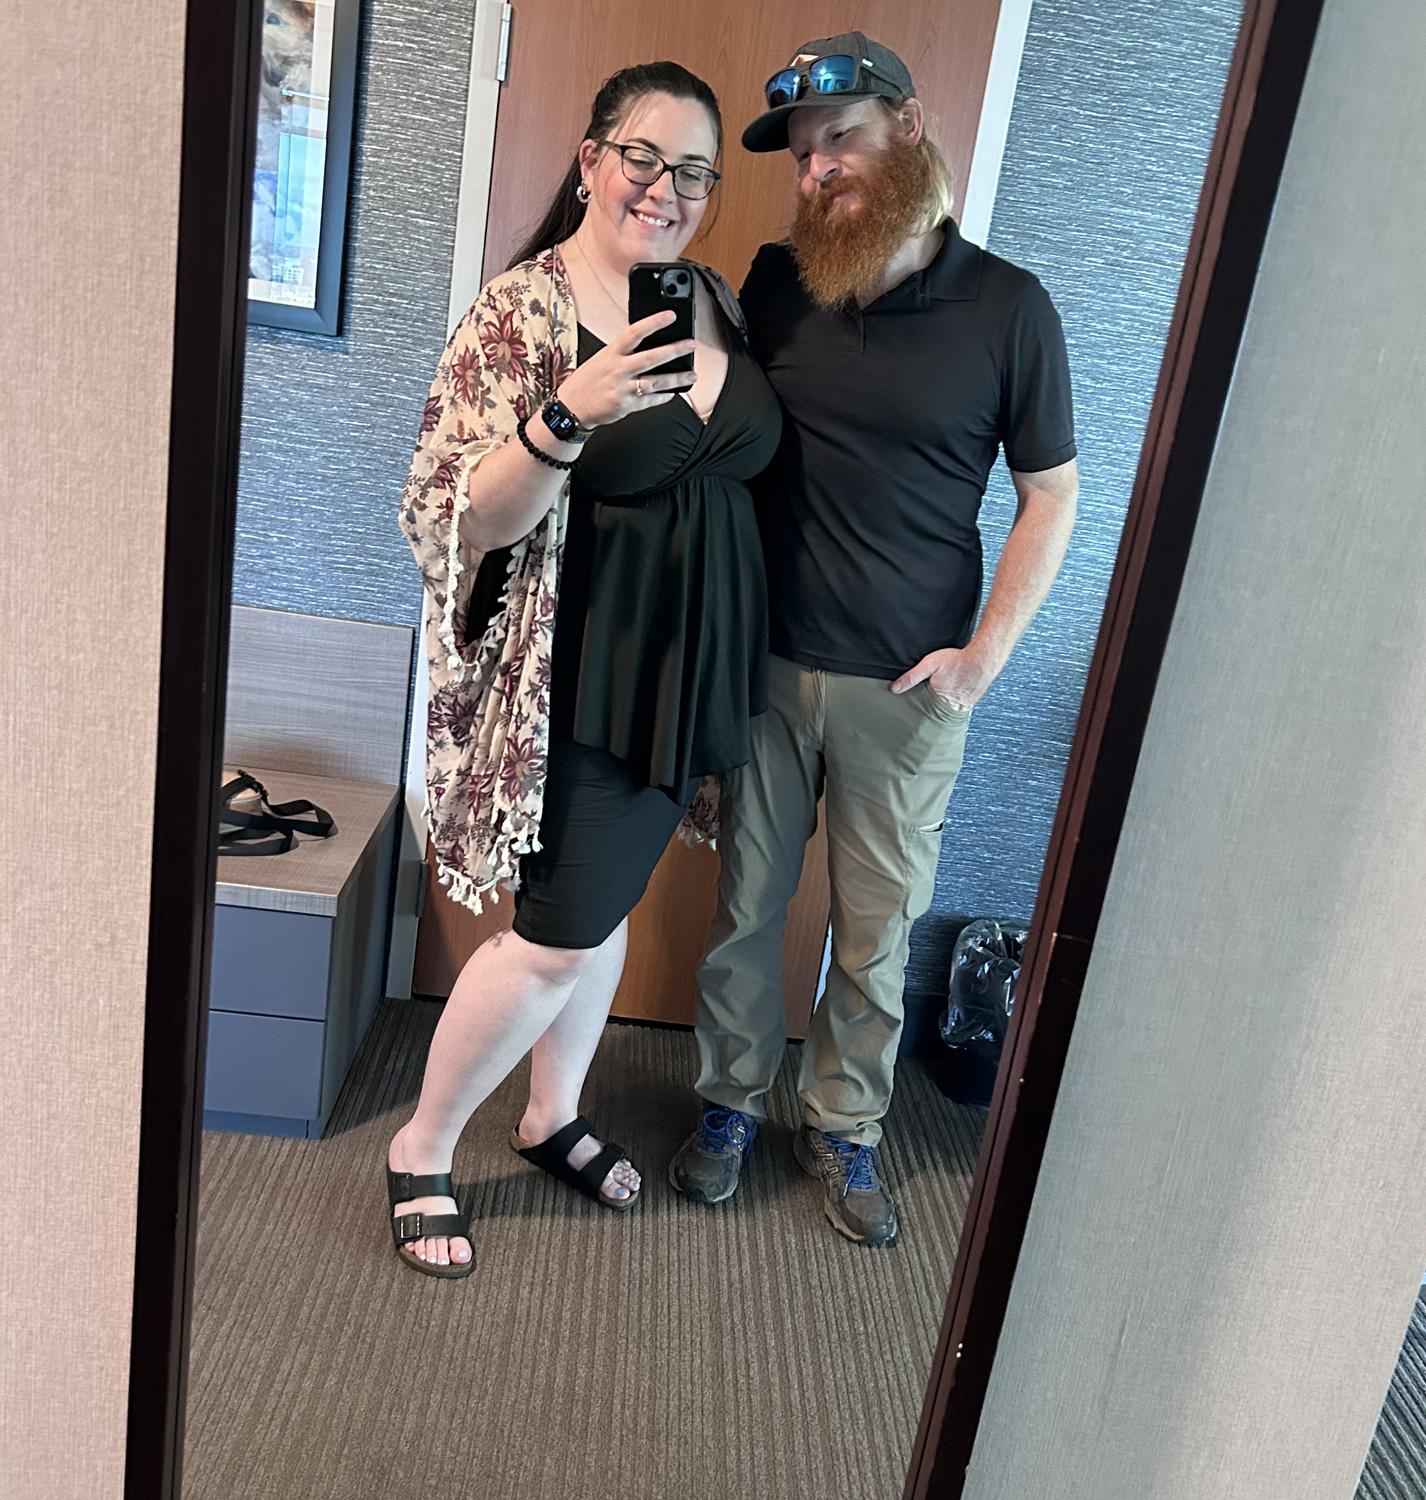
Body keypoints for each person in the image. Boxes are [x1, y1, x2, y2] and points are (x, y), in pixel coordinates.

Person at [669, 34, 1079, 1248]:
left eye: (837, 139)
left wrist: (981, 662)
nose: (816, 171)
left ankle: (845, 1126)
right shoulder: (778, 284)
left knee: (876, 930)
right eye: (801, 155)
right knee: (745, 909)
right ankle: (729, 1104)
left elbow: (1051, 496)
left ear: (908, 128)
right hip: (765, 664)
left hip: (909, 687)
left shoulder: (1010, 309)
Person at [390, 62, 781, 1278]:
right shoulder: (523, 311)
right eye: (642, 157)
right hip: (580, 683)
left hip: (686, 681)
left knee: (600, 912)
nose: (665, 190)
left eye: (694, 171)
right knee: (553, 937)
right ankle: (419, 1145)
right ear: (591, 160)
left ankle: (549, 1114)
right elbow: (454, 516)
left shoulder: (710, 298)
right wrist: (566, 414)